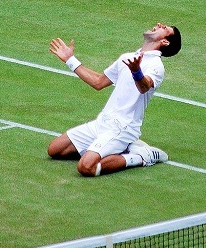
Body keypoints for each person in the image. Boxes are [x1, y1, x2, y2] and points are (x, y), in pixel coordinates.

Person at [47, 23, 182, 176]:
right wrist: (70, 59)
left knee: (86, 167)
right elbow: (98, 82)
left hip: (123, 127)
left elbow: (144, 87)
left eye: (164, 28)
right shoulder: (127, 57)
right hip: (102, 122)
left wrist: (137, 71)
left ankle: (141, 156)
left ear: (165, 42)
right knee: (55, 150)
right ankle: (114, 147)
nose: (159, 24)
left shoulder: (156, 66)